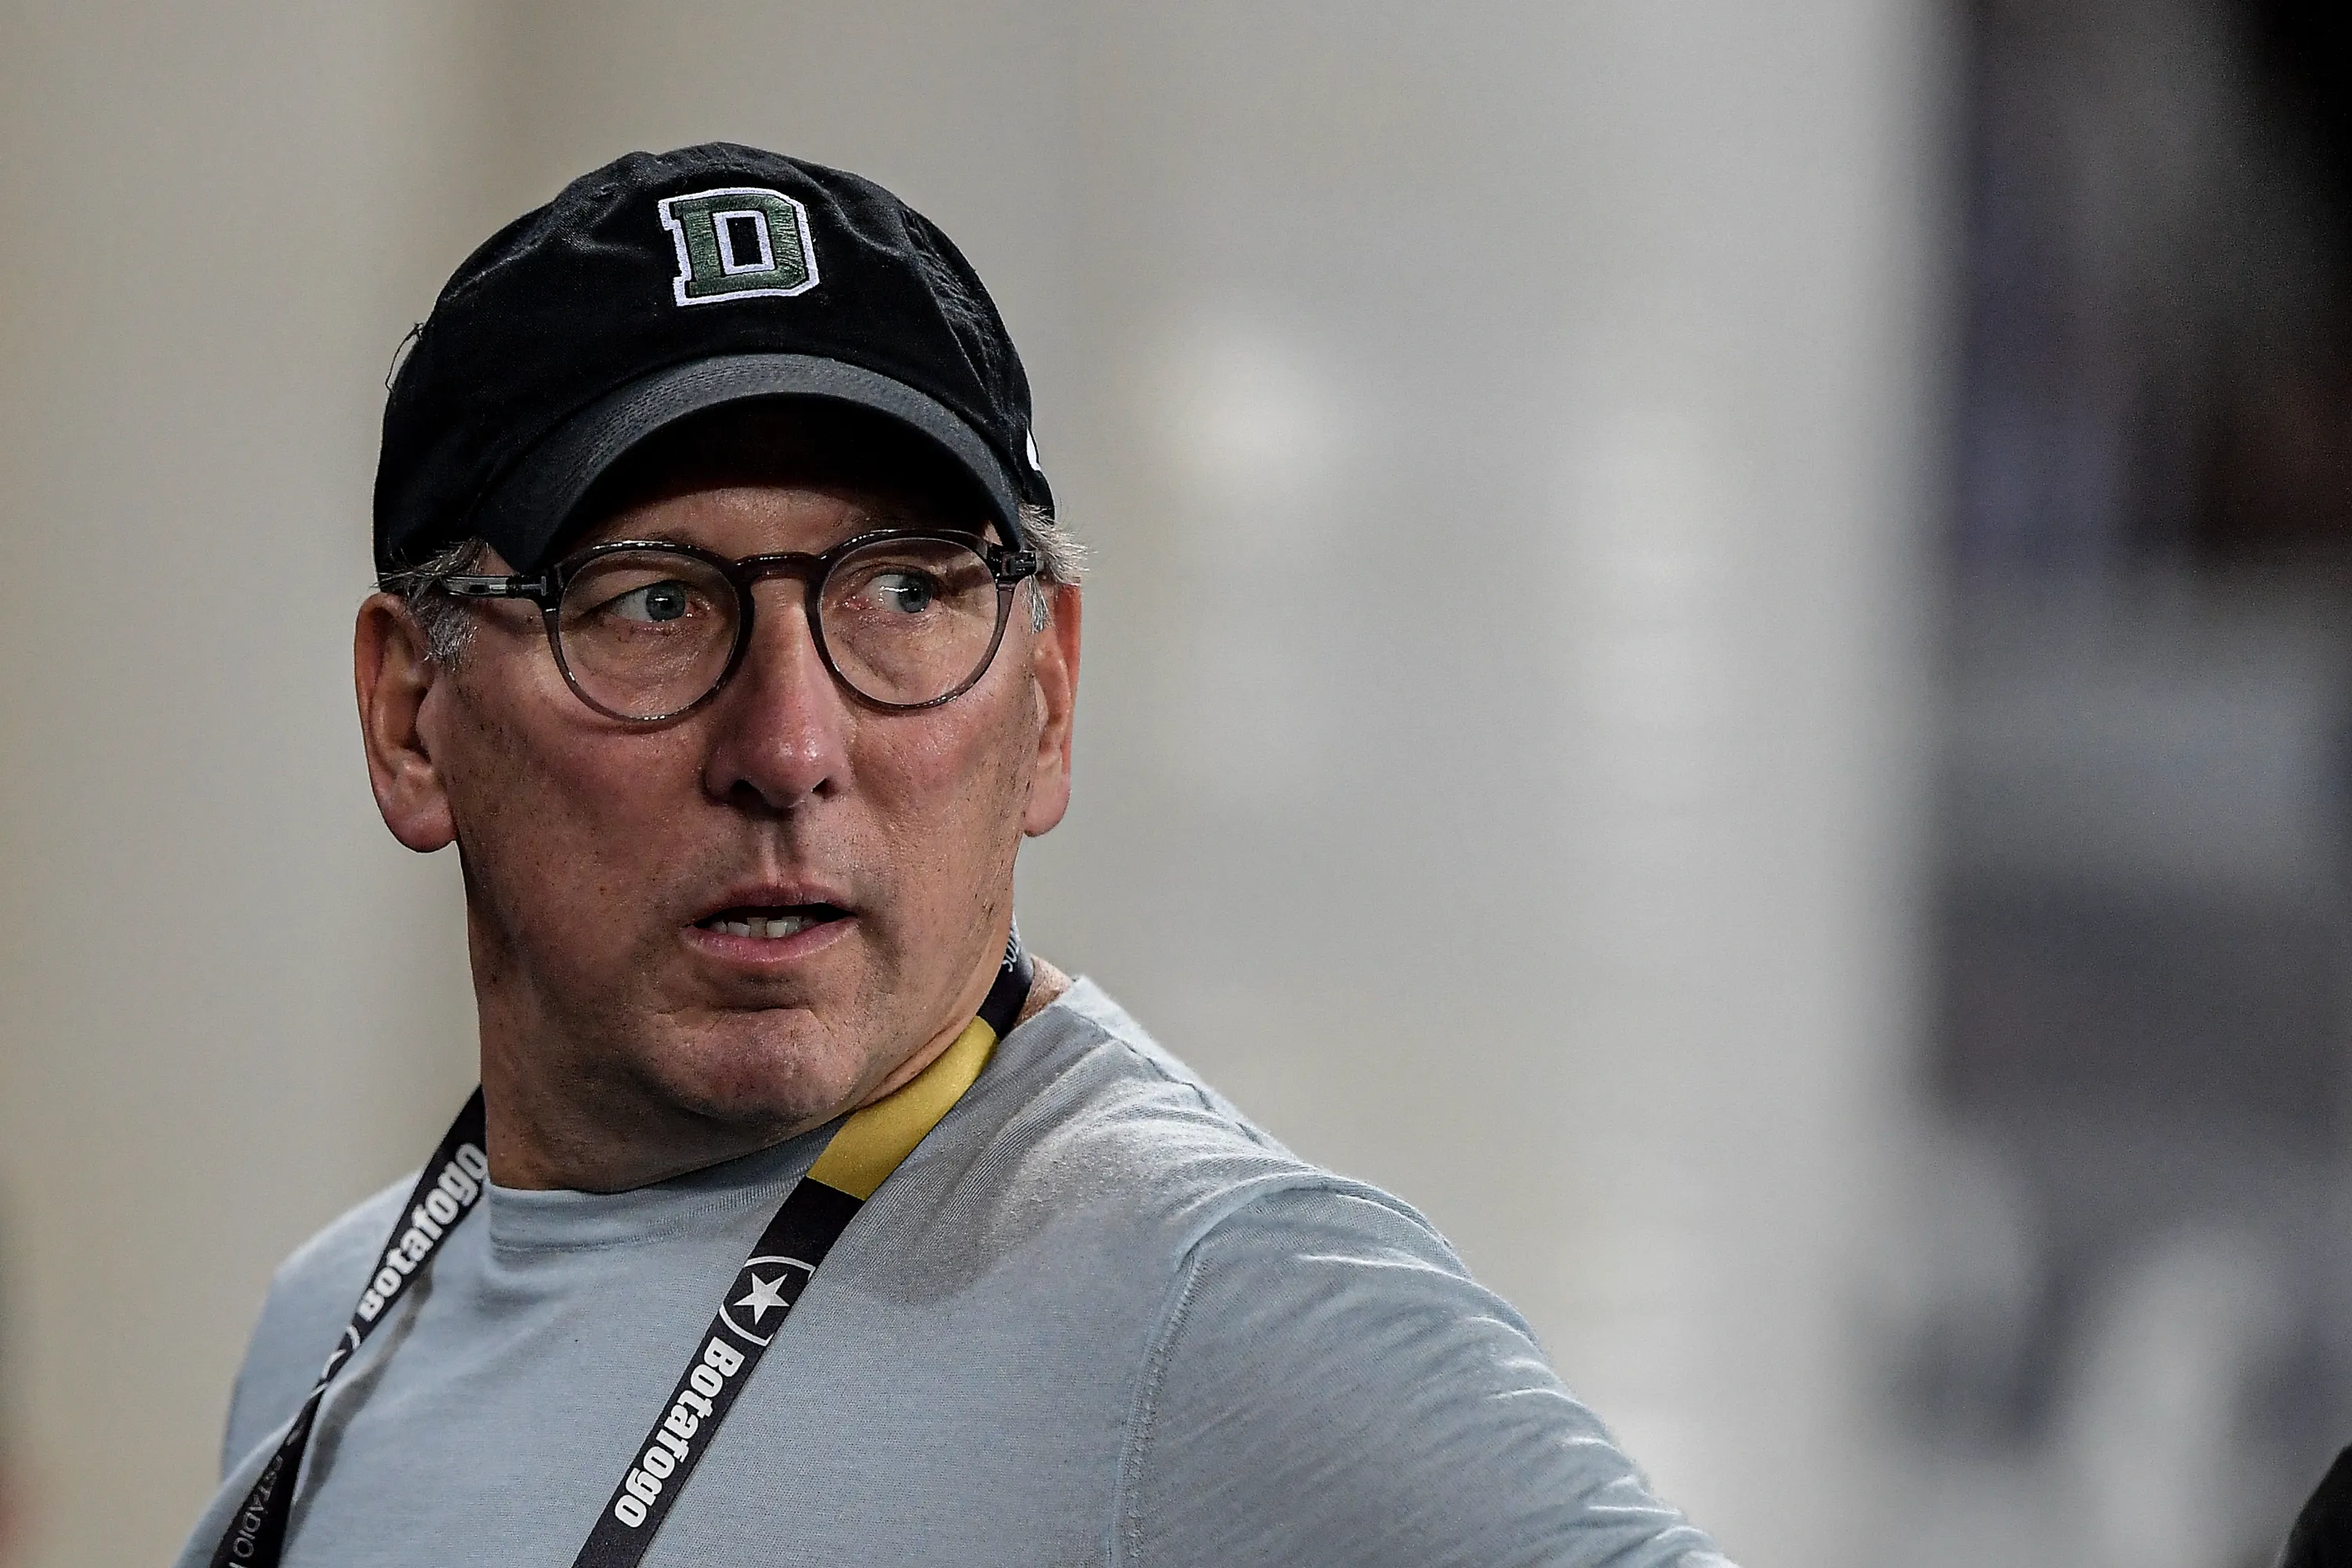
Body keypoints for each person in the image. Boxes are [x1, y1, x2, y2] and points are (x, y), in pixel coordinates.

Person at [171, 142, 1730, 1567]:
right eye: (649, 601)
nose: (786, 748)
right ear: (408, 717)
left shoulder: (1216, 1305)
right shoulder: (336, 1321)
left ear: (1045, 695)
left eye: (903, 594)